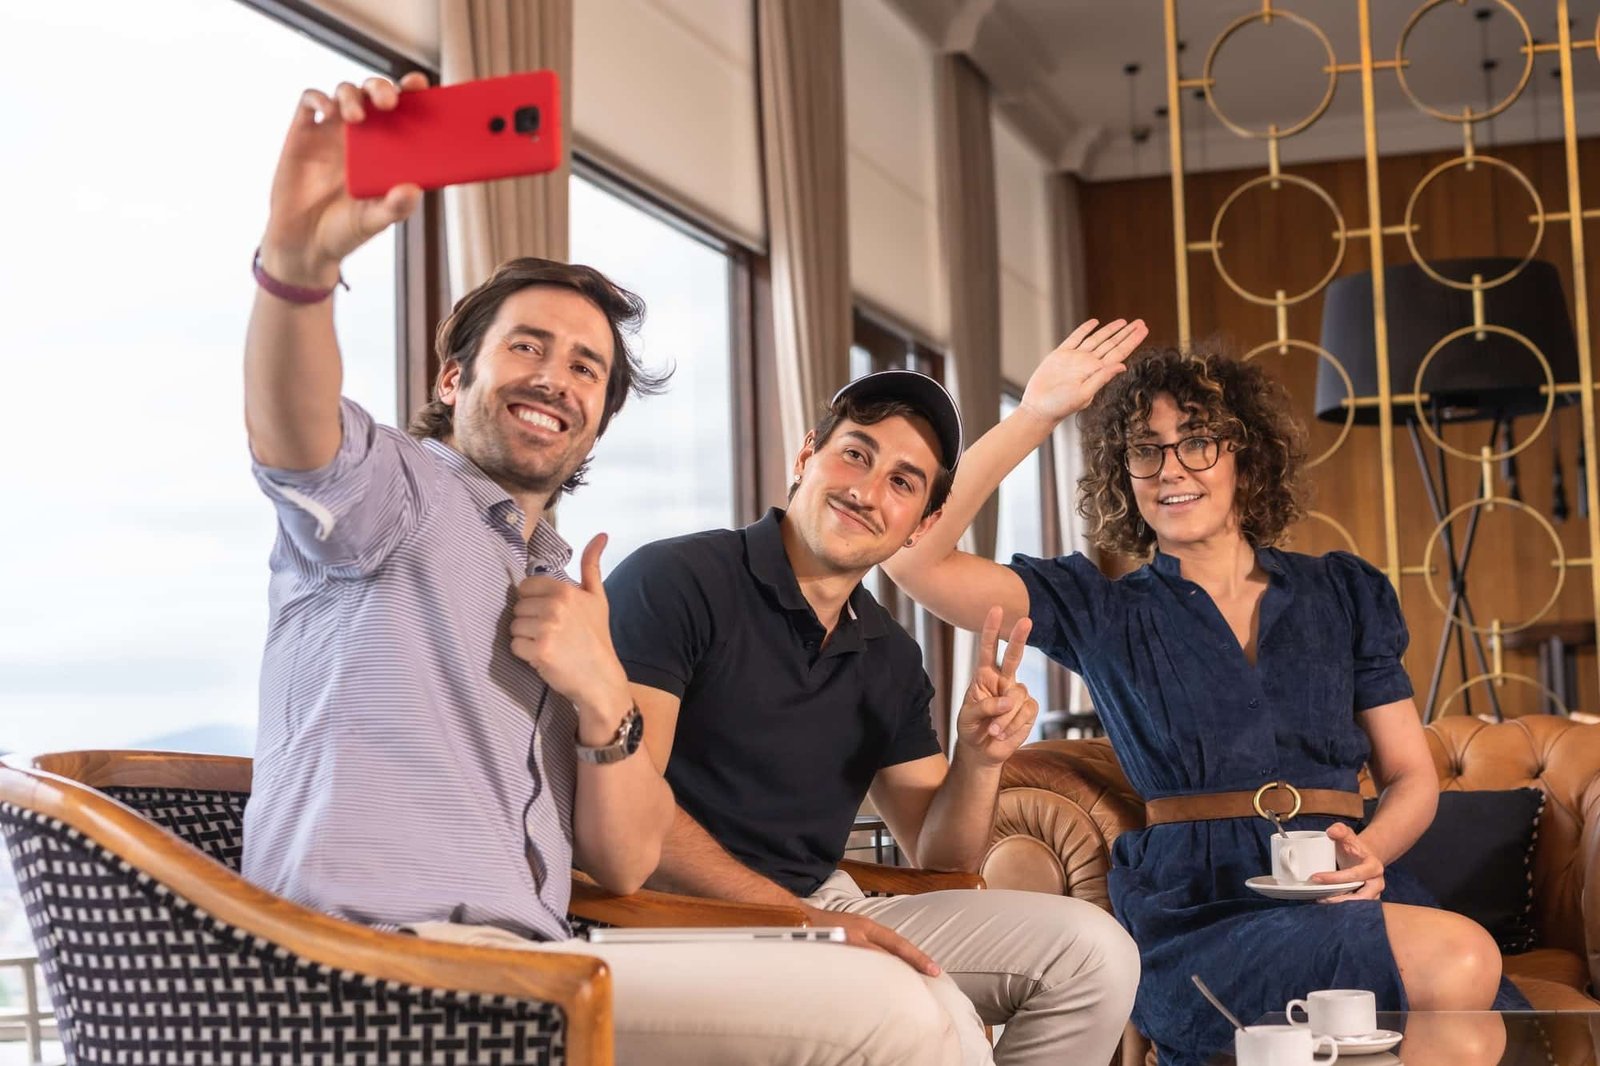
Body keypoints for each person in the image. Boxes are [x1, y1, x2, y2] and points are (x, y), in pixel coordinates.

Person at [240, 71, 977, 1065]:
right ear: (453, 376)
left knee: (927, 1010)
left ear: (598, 420)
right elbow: (297, 435)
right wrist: (295, 268)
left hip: (536, 955)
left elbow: (623, 858)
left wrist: (601, 703)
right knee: (891, 1014)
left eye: (587, 367)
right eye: (527, 347)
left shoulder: (554, 577)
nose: (555, 375)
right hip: (382, 962)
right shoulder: (397, 499)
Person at [883, 321, 1525, 1066]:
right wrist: (1038, 413)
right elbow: (915, 561)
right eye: (1146, 450)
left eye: (1197, 441)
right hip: (1201, 910)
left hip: (1348, 888)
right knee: (1464, 961)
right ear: (1125, 473)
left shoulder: (1344, 592)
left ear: (1246, 461)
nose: (1170, 468)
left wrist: (1368, 854)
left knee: (1479, 1030)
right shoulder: (1098, 608)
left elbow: (1411, 775)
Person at [604, 369, 1141, 1066]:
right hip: (675, 912)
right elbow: (629, 812)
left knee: (1096, 954)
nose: (867, 491)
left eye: (903, 481)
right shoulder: (675, 582)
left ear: (920, 525)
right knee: (931, 1023)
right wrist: (808, 922)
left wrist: (979, 758)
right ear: (806, 456)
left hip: (819, 904)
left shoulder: (889, 653)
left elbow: (940, 858)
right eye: (855, 454)